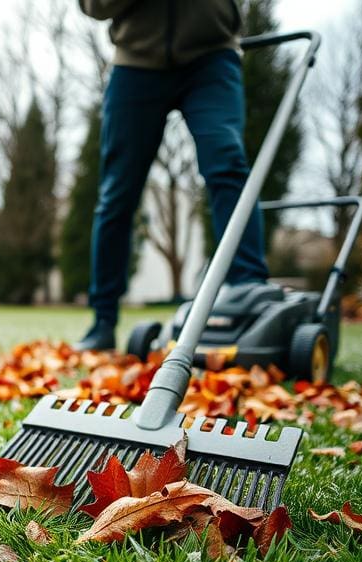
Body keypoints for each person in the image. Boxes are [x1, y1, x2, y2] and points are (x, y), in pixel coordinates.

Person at [76, 0, 269, 351]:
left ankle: (249, 288)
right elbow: (93, 6)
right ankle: (103, 320)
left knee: (227, 163)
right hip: (136, 62)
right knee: (116, 192)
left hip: (212, 55)